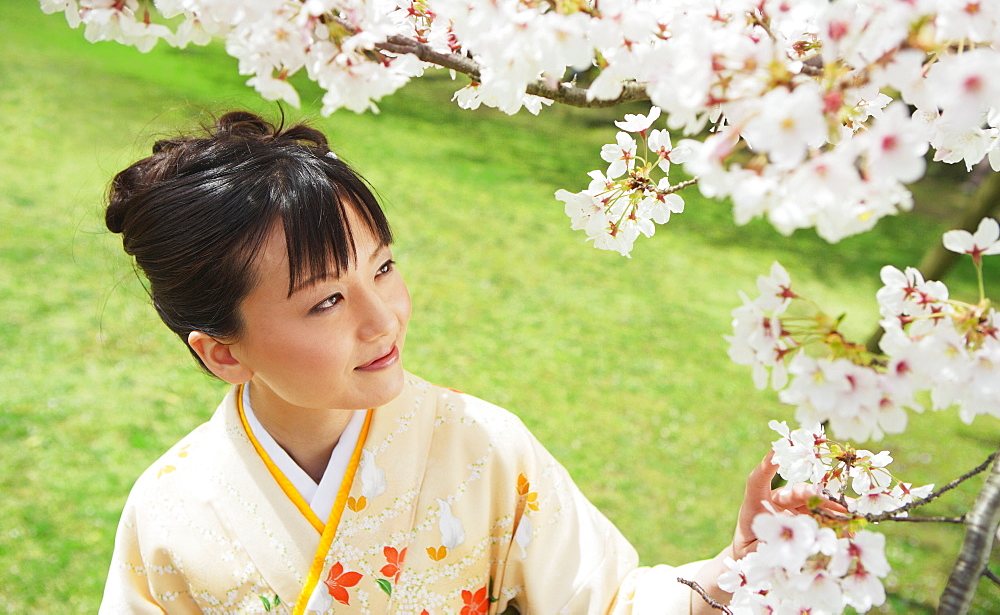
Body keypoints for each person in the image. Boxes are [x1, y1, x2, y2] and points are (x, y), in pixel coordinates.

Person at [99, 111, 818, 614]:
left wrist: (731, 574)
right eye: (325, 303)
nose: (383, 319)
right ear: (223, 351)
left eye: (382, 270)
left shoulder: (481, 447)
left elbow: (603, 602)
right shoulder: (169, 511)